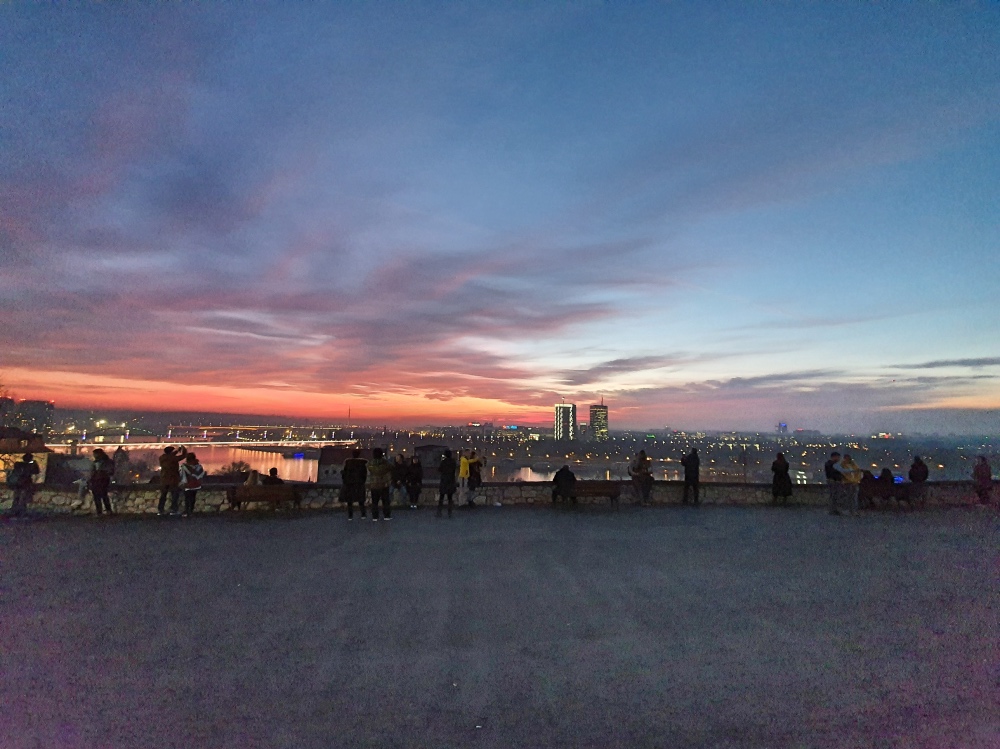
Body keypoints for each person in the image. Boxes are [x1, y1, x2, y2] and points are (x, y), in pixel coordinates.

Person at [6, 453, 40, 518]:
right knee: (23, 499)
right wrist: (33, 462)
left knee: (16, 498)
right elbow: (36, 471)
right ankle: (21, 513)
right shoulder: (30, 466)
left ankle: (14, 512)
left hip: (17, 484)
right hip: (25, 484)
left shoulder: (18, 464)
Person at [158, 445, 187, 516]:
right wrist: (184, 449)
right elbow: (183, 456)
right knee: (174, 495)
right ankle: (174, 510)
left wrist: (177, 451)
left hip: (164, 479)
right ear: (171, 452)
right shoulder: (173, 458)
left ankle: (160, 510)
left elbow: (170, 456)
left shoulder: (162, 458)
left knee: (163, 495)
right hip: (172, 479)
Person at [340, 449, 368, 520]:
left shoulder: (348, 463)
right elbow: (364, 474)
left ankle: (350, 515)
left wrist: (345, 480)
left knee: (350, 500)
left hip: (350, 483)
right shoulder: (362, 463)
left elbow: (344, 473)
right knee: (361, 500)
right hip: (359, 483)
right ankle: (363, 514)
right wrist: (362, 481)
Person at [367, 448, 392, 521]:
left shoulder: (370, 464)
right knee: (385, 501)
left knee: (375, 502)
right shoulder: (385, 463)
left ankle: (375, 516)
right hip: (384, 484)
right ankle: (386, 515)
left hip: (374, 485)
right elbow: (392, 467)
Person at [178, 452, 206, 518]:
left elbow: (182, 476)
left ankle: (187, 511)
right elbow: (201, 475)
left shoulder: (184, 467)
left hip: (187, 485)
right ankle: (191, 511)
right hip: (196, 485)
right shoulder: (199, 466)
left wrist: (182, 483)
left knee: (187, 498)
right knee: (193, 498)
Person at [90, 448, 115, 516]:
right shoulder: (107, 461)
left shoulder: (103, 462)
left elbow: (93, 472)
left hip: (101, 480)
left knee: (100, 496)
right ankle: (106, 511)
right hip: (100, 480)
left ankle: (101, 511)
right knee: (102, 496)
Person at [438, 449, 457, 518]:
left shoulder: (443, 462)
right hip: (451, 481)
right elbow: (454, 470)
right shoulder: (453, 462)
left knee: (441, 497)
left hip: (444, 481)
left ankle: (439, 512)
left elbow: (439, 470)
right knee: (450, 498)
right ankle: (449, 512)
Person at [825, 451, 845, 515]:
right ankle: (834, 510)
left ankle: (834, 509)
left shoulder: (830, 464)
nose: (839, 458)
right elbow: (833, 473)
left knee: (835, 496)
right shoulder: (831, 464)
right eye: (838, 457)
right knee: (834, 496)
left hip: (834, 481)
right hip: (833, 481)